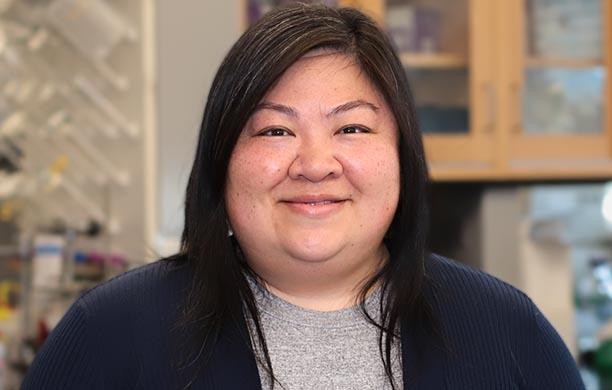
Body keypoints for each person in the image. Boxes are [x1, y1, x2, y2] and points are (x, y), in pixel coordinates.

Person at [22, 3, 584, 390]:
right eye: (274, 131)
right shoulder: (111, 333)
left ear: (401, 156)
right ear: (223, 161)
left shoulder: (506, 331)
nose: (315, 164)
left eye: (353, 129)